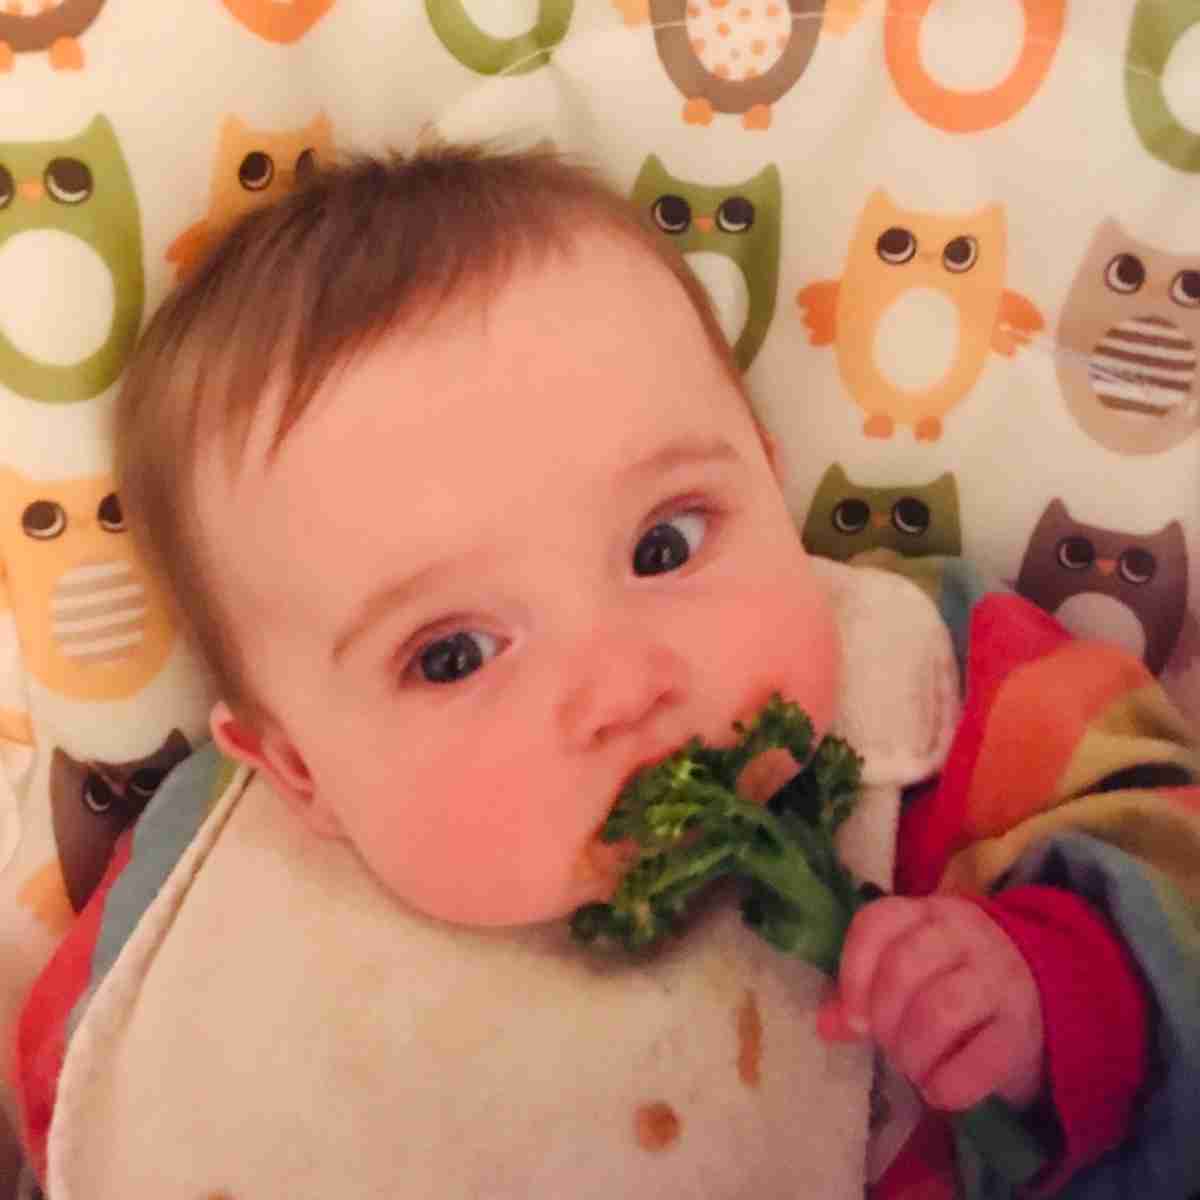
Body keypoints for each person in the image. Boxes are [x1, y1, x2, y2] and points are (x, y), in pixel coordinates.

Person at [19, 144, 1200, 1198]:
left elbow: (1173, 848)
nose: (623, 685)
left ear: (771, 484)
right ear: (295, 768)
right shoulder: (205, 914)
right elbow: (71, 1105)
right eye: (452, 655)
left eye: (665, 545)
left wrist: (1058, 991)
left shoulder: (953, 688)